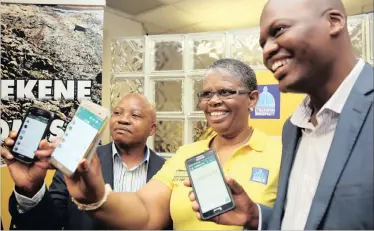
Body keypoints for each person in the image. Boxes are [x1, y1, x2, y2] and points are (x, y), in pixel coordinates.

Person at [187, 0, 374, 230]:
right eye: (263, 43)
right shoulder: (293, 128)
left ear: (334, 21)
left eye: (279, 30)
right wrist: (256, 217)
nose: (268, 51)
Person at [60, 59, 282, 230]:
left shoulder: (281, 152)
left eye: (224, 92)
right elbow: (145, 212)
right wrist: (96, 197)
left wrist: (255, 216)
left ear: (252, 99)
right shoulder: (187, 155)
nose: (213, 100)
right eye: (206, 94)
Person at [2, 93, 167, 230]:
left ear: (152, 129)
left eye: (135, 115)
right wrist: (30, 188)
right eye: (117, 113)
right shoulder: (77, 162)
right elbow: (46, 226)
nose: (123, 119)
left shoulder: (167, 172)